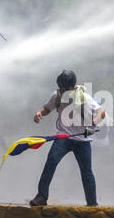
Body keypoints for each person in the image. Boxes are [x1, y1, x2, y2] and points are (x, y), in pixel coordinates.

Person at [29, 69, 106, 207]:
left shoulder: (85, 98)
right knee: (51, 162)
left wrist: (93, 122)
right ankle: (41, 197)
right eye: (61, 88)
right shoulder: (57, 96)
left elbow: (101, 112)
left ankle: (92, 203)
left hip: (82, 140)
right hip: (63, 136)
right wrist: (40, 113)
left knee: (86, 172)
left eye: (65, 88)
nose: (63, 91)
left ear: (72, 87)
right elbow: (47, 108)